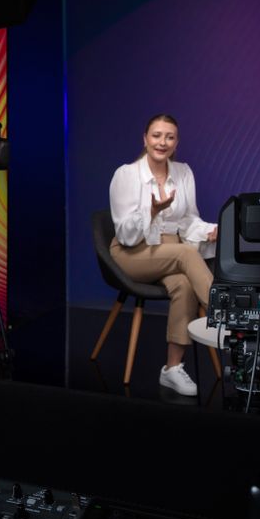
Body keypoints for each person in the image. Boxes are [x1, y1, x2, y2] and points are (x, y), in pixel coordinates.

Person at [108, 114, 217, 397]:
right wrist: (152, 210)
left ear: (176, 142)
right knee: (184, 254)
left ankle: (171, 369)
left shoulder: (183, 172)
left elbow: (189, 220)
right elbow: (124, 233)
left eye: (169, 137)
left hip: (168, 250)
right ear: (145, 139)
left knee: (183, 283)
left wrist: (209, 231)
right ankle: (227, 316)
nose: (162, 142)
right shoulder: (126, 174)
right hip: (131, 252)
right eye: (156, 135)